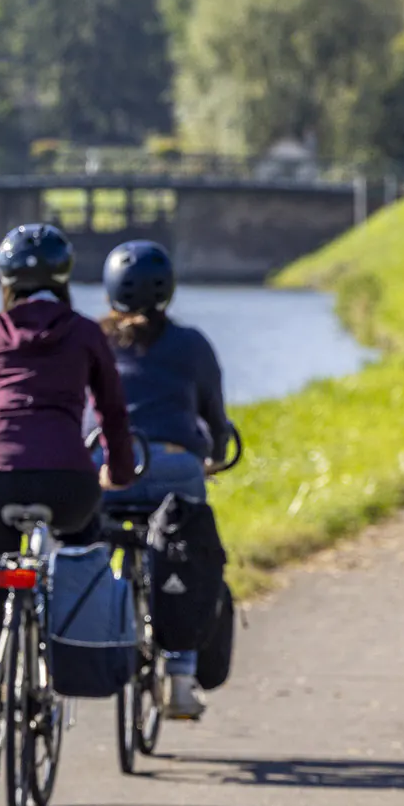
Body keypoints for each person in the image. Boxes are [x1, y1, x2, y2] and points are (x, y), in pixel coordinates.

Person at [0, 223, 132, 777]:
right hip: (68, 481)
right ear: (64, 277)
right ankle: (68, 647)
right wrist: (119, 472)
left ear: (5, 281)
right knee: (82, 553)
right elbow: (112, 411)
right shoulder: (85, 332)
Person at [98, 240, 232, 721]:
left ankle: (79, 639)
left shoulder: (95, 340)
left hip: (108, 470)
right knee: (185, 553)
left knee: (85, 543)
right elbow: (213, 415)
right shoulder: (192, 344)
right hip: (175, 468)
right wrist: (214, 455)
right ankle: (180, 677)